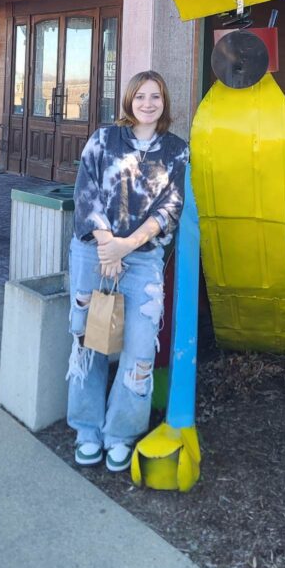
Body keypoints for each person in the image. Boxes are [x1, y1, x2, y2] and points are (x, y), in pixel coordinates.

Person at [66, 70, 189, 471]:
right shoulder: (104, 139)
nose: (148, 104)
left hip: (143, 260)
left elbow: (170, 208)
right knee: (90, 341)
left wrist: (126, 246)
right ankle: (87, 429)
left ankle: (119, 433)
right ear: (129, 101)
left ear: (164, 103)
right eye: (141, 96)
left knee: (138, 349)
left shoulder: (176, 150)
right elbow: (85, 193)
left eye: (156, 97)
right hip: (93, 254)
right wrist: (108, 245)